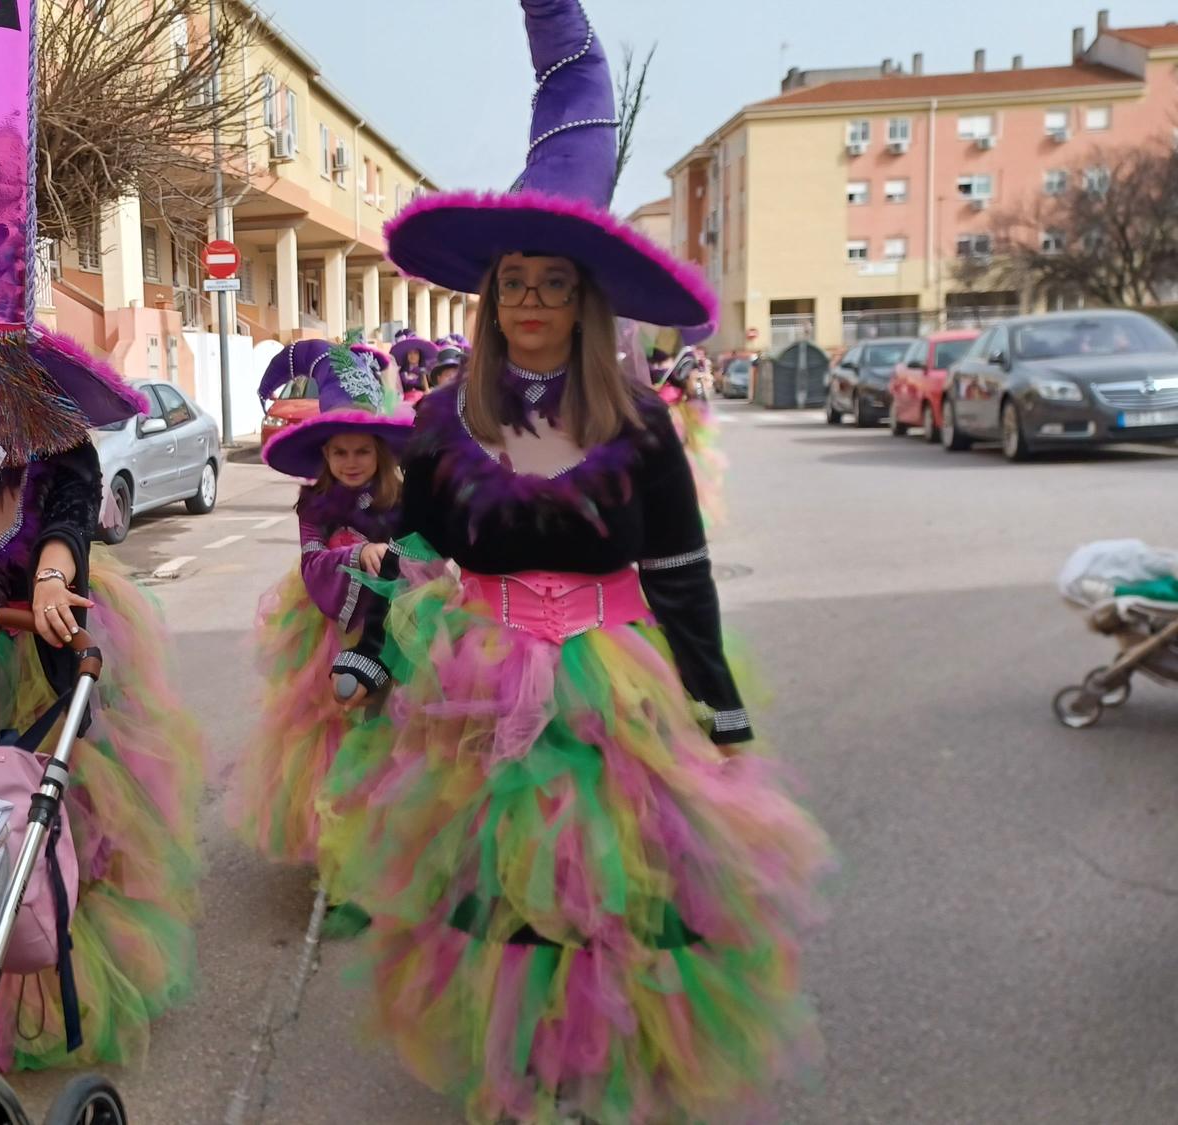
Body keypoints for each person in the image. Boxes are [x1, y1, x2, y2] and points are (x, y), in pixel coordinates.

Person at [320, 3, 831, 1122]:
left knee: (611, 905)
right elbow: (413, 544)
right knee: (494, 906)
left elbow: (682, 571)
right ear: (491, 299)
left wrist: (719, 706)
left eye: (554, 285)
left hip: (610, 686)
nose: (534, 304)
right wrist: (364, 650)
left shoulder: (637, 425)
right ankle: (517, 1068)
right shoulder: (445, 424)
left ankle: (592, 1070)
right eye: (515, 284)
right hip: (477, 686)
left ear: (583, 301)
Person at [0, 438, 203, 1072]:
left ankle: (71, 976)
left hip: (54, 638)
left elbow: (70, 514)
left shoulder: (56, 442)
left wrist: (53, 576)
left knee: (73, 813)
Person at [233, 341, 414, 865]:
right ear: (324, 455)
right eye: (340, 452)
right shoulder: (314, 505)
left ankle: (390, 852)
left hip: (397, 630)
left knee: (391, 739)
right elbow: (314, 566)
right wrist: (359, 555)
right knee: (333, 742)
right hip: (327, 632)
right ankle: (341, 856)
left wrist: (399, 558)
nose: (351, 462)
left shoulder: (402, 502)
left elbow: (427, 560)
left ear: (379, 452)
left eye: (362, 451)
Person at [390, 337, 438, 402]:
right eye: (410, 353)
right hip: (404, 402)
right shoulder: (401, 372)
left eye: (415, 353)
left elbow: (430, 389)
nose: (412, 356)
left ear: (420, 355)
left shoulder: (426, 372)